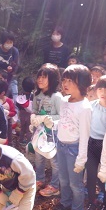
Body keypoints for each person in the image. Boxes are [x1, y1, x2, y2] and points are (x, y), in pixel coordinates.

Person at [54, 64, 92, 210]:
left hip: (74, 149)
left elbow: (85, 135)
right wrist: (50, 123)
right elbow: (64, 121)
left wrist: (81, 160)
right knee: (63, 178)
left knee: (75, 183)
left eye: (70, 81)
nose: (65, 84)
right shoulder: (63, 100)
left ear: (82, 83)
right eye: (64, 80)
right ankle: (66, 202)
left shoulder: (85, 107)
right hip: (61, 145)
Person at [84, 76, 106, 210]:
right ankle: (92, 201)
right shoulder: (91, 106)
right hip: (91, 144)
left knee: (104, 176)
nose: (103, 92)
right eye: (100, 88)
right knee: (91, 175)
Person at [30, 64, 62, 198]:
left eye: (44, 77)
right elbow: (35, 112)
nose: (40, 80)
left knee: (54, 160)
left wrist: (47, 118)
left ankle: (55, 185)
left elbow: (62, 116)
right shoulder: (36, 95)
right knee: (38, 156)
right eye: (39, 77)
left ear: (53, 79)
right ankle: (40, 179)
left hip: (52, 133)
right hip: (39, 132)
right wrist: (34, 119)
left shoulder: (56, 96)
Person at [0, 79, 17, 146]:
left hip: (7, 123)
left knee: (6, 137)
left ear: (2, 93)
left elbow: (14, 112)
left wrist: (7, 113)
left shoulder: (9, 101)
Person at [17, 77, 35, 145]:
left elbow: (18, 104)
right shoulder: (32, 96)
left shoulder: (21, 96)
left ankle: (21, 140)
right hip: (29, 114)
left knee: (22, 128)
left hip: (22, 113)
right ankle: (29, 142)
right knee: (29, 129)